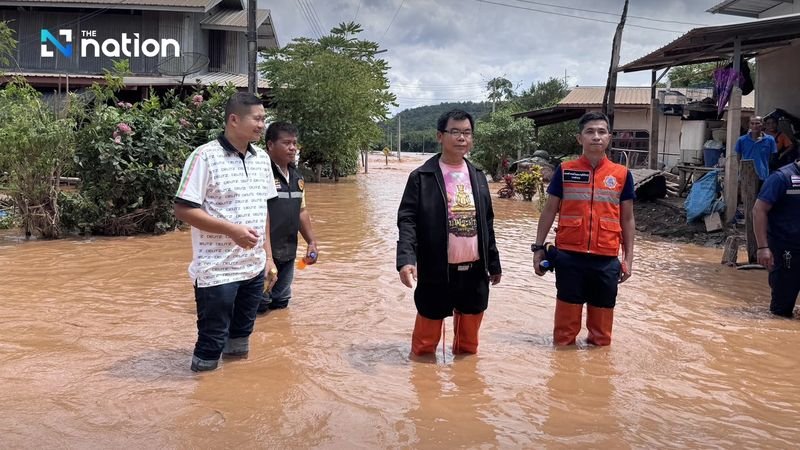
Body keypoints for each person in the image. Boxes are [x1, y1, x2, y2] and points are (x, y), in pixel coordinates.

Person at [174, 92, 278, 372]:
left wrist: (268, 258)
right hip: (216, 271)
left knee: (241, 343)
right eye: (257, 119)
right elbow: (183, 209)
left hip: (253, 270)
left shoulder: (262, 161)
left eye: (263, 119)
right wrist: (231, 230)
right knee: (211, 344)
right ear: (234, 119)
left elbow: (264, 209)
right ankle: (203, 400)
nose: (261, 125)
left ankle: (234, 401)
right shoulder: (204, 157)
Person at [396, 109, 501, 357]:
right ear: (440, 136)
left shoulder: (478, 176)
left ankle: (466, 390)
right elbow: (407, 221)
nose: (462, 138)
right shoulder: (421, 177)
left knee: (468, 348)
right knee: (424, 347)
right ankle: (425, 390)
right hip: (435, 270)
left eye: (467, 132)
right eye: (455, 132)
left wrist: (494, 263)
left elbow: (487, 222)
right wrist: (406, 260)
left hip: (474, 272)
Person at [533, 112, 635, 346]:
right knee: (564, 335)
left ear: (609, 137)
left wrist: (628, 259)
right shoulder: (565, 170)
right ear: (580, 139)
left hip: (607, 260)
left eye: (601, 132)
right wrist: (538, 248)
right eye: (590, 132)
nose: (596, 137)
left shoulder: (622, 175)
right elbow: (549, 210)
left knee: (601, 337)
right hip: (569, 258)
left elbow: (627, 220)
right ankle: (563, 377)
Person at [257, 121, 318, 312]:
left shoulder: (297, 177)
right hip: (262, 255)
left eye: (295, 143)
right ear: (270, 145)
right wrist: (267, 256)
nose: (292, 148)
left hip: (288, 253)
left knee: (281, 302)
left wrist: (311, 242)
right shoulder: (260, 173)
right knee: (261, 304)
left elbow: (302, 211)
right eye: (286, 143)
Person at [753, 160, 800, 318]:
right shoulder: (781, 178)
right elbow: (759, 210)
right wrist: (762, 247)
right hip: (786, 250)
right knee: (782, 310)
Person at [735, 116, 777, 183]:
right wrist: (741, 173)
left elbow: (772, 158)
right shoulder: (741, 140)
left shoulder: (770, 140)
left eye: (757, 123)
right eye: (752, 123)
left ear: (762, 124)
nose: (755, 126)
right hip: (747, 176)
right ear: (749, 125)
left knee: (763, 193)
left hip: (763, 176)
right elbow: (738, 158)